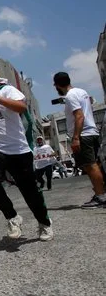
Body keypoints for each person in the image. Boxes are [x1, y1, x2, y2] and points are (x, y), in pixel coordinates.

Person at [0, 58, 53, 241]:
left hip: (17, 149)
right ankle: (13, 217)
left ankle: (44, 223)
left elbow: (21, 107)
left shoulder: (7, 90)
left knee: (29, 191)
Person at [53, 72, 106, 208]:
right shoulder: (81, 91)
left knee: (90, 165)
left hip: (84, 134)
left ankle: (101, 197)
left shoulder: (70, 96)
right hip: (92, 132)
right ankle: (100, 193)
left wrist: (76, 138)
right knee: (95, 165)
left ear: (57, 85)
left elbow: (79, 116)